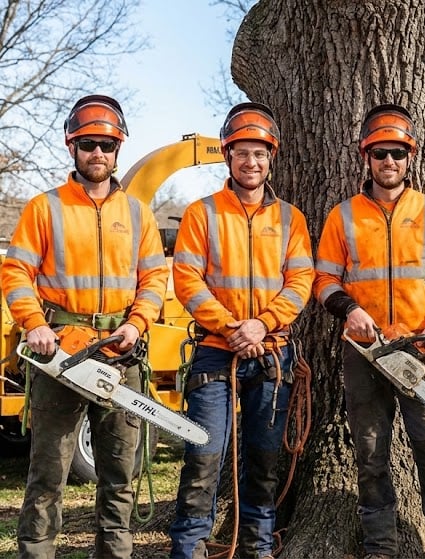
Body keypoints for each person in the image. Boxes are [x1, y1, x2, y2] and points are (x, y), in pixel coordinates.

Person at [0, 95, 169, 558]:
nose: (98, 153)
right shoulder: (45, 208)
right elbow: (16, 272)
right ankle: (37, 551)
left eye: (107, 145)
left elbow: (154, 277)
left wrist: (137, 323)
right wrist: (34, 323)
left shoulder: (136, 213)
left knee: (119, 474)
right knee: (47, 474)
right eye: (89, 144)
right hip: (59, 352)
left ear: (118, 149)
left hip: (120, 352)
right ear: (71, 146)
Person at [313, 103, 425, 559]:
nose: (389, 161)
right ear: (367, 157)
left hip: (420, 350)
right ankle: (381, 547)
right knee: (370, 453)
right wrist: (349, 310)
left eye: (397, 153)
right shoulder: (343, 216)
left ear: (410, 157)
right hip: (366, 351)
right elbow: (324, 280)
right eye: (380, 153)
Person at [168, 102, 314, 559]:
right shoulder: (202, 214)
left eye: (259, 154)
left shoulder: (290, 219)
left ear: (271, 158)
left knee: (265, 460)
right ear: (228, 156)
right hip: (216, 350)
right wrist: (231, 326)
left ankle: (256, 548)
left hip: (272, 352)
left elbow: (301, 281)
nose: (251, 162)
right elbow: (187, 280)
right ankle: (189, 548)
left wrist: (262, 324)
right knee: (203, 456)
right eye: (243, 153)